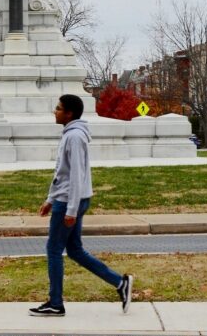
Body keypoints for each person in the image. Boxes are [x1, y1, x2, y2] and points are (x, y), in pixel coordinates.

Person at [30, 93, 133, 317]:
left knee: (54, 250)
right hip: (69, 199)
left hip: (69, 201)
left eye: (58, 108)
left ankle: (55, 303)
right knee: (75, 250)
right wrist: (49, 199)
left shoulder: (74, 137)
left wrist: (71, 210)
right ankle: (120, 283)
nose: (54, 112)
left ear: (69, 113)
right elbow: (62, 173)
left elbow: (76, 175)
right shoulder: (71, 134)